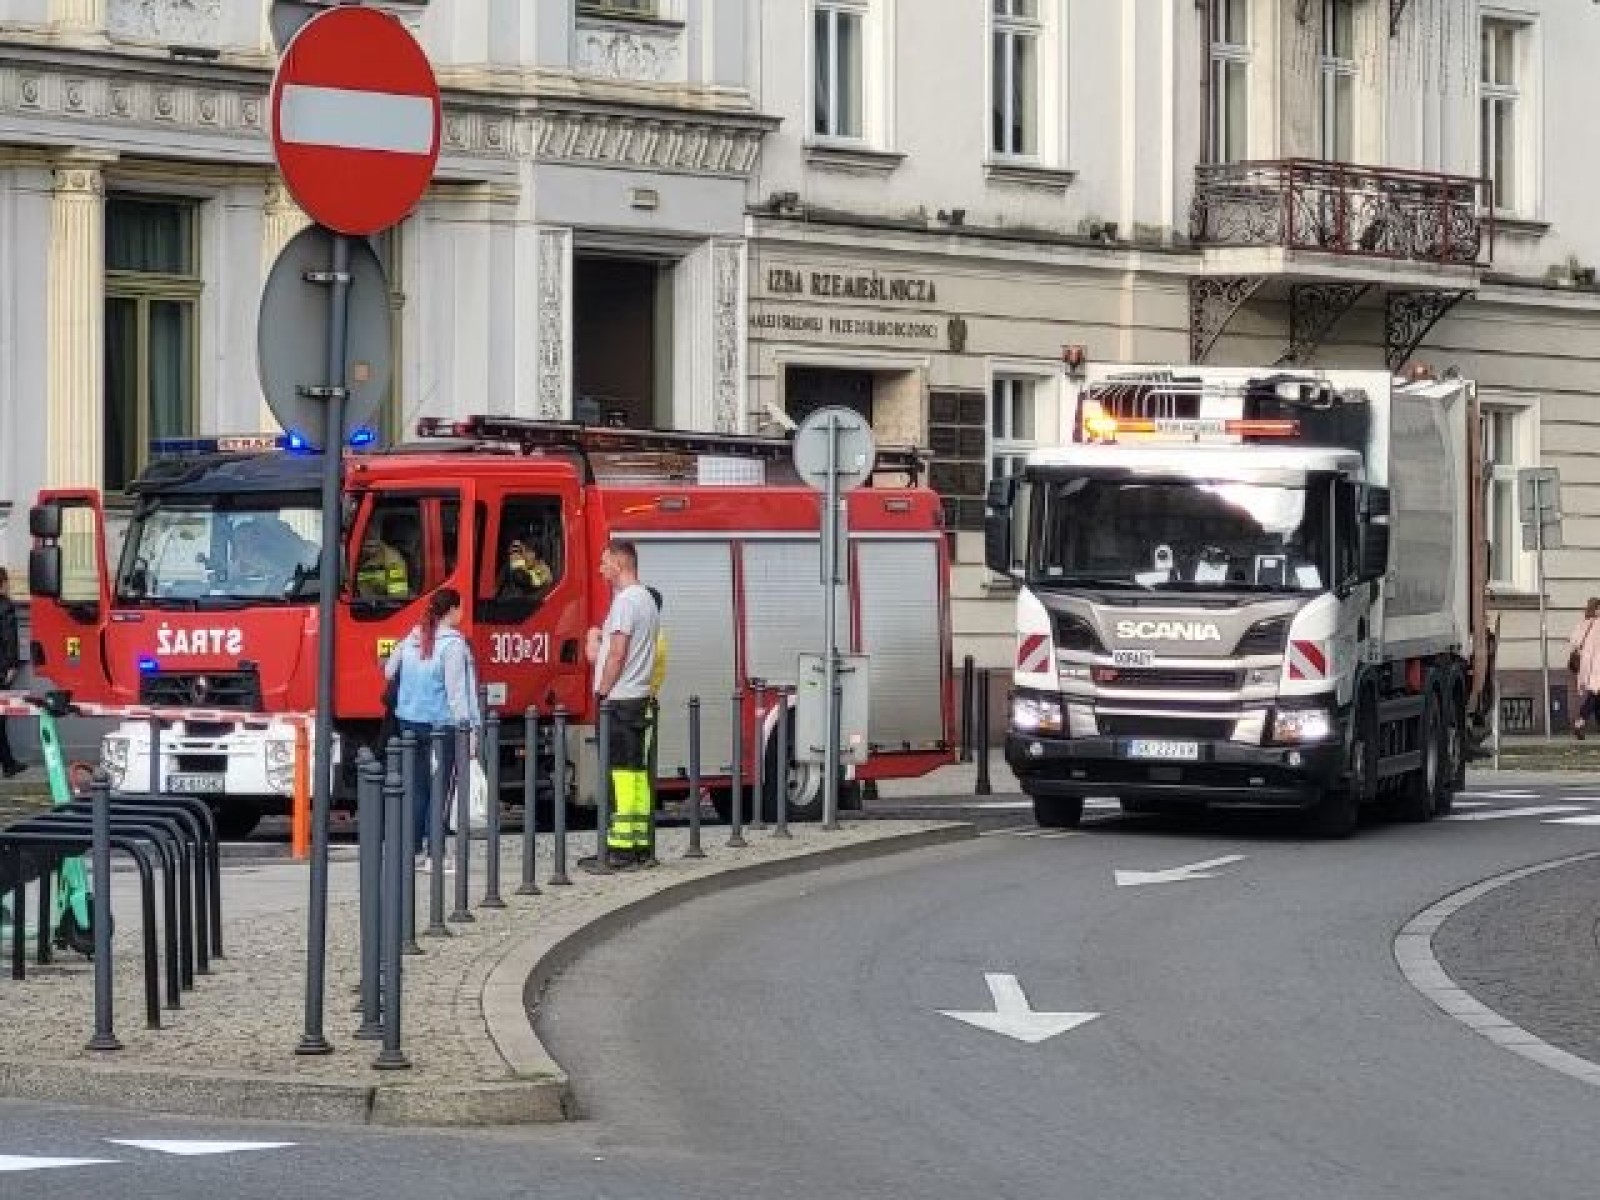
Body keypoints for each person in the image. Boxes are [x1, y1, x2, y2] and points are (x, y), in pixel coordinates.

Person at [581, 540, 660, 873]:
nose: (601, 569)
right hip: (637, 698)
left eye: (604, 562)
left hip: (621, 700)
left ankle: (620, 851)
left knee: (620, 778)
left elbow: (617, 653)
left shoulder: (627, 602)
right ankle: (639, 846)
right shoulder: (646, 599)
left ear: (619, 563)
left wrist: (601, 691)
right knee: (636, 776)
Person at [384, 587, 482, 856]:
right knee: (442, 789)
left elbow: (389, 670)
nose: (463, 613)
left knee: (416, 787)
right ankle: (434, 851)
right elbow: (457, 693)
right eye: (461, 607)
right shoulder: (453, 644)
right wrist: (468, 729)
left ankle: (413, 848)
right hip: (442, 725)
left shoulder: (413, 638)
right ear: (451, 611)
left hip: (409, 722)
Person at [0, 568, 27, 778]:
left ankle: (8, 763)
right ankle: (8, 765)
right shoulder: (4, 606)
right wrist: (11, 665)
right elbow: (10, 637)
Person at [1569, 597, 1600, 738]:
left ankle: (1582, 724)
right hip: (1597, 667)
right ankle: (1579, 723)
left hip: (1586, 667)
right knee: (1594, 696)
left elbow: (1574, 640)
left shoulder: (1583, 623)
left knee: (1596, 696)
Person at [356, 526, 409, 599]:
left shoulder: (393, 563)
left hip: (373, 605)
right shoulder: (356, 553)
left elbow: (397, 599)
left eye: (369, 546)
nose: (364, 549)